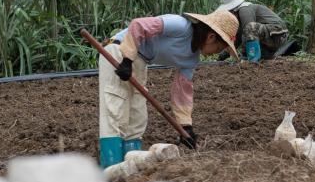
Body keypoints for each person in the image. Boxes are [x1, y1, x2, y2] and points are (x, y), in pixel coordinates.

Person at [97, 10, 239, 168]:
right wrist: (127, 60)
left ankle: (129, 167)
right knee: (115, 109)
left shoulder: (191, 59)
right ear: (211, 37)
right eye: (219, 48)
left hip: (140, 61)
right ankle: (110, 167)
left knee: (137, 118)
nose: (217, 53)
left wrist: (185, 126)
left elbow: (182, 91)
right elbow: (138, 25)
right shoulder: (180, 25)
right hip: (118, 51)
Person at [215, 0, 289, 62]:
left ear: (232, 10)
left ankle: (253, 59)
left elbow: (249, 32)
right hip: (272, 35)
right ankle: (261, 57)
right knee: (249, 31)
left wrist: (245, 54)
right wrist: (221, 56)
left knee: (250, 27)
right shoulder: (240, 14)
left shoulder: (244, 9)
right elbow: (237, 39)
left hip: (277, 32)